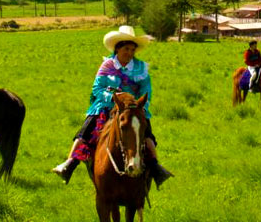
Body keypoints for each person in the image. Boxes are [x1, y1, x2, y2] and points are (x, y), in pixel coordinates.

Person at [53, 25, 173, 188]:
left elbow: (146, 90)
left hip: (133, 108)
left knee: (147, 135)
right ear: (117, 48)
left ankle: (155, 168)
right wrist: (113, 98)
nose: (130, 53)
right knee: (85, 132)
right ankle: (69, 164)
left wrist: (137, 105)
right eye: (126, 49)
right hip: (106, 106)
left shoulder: (141, 68)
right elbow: (97, 88)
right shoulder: (107, 66)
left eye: (132, 50)